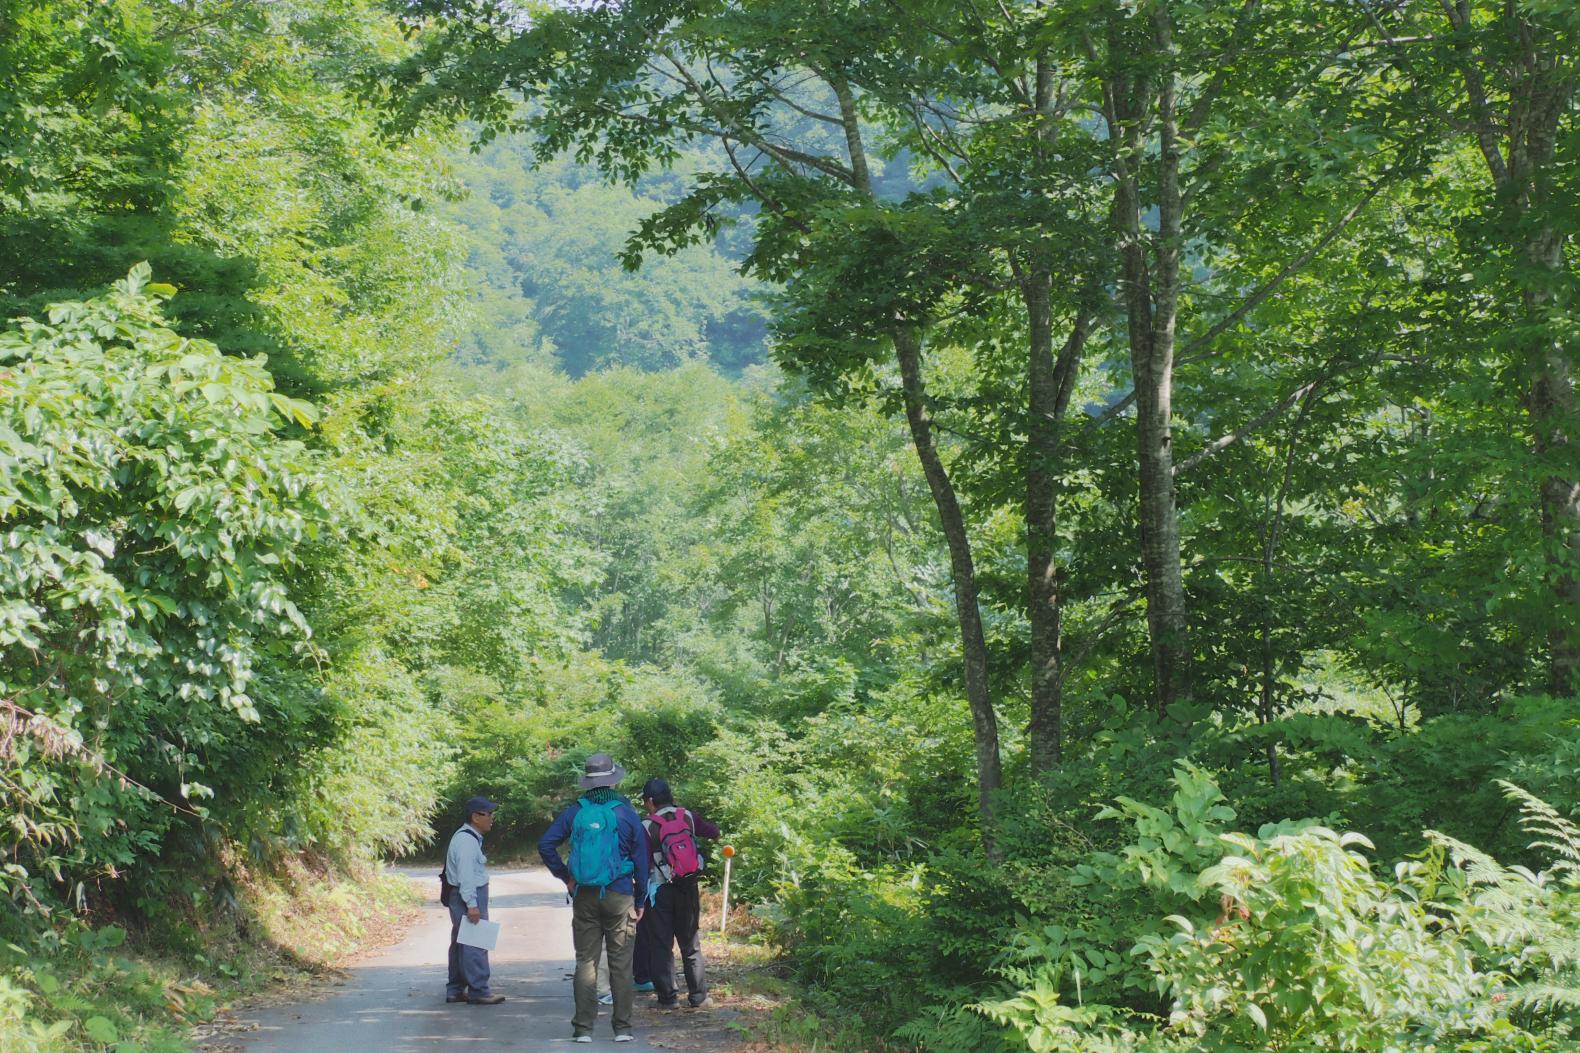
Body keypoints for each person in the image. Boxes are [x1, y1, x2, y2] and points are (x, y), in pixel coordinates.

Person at [538, 753, 650, 1043]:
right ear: (613, 779)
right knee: (621, 964)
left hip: (584, 895)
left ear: (588, 782)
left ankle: (583, 1029)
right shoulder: (626, 813)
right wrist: (640, 900)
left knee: (585, 962)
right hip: (620, 894)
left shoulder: (575, 812)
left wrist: (566, 877)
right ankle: (622, 1029)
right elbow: (642, 860)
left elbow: (546, 844)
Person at [639, 777, 720, 1009]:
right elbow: (712, 831)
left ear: (651, 801)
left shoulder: (647, 826)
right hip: (688, 887)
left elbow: (642, 863)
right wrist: (715, 836)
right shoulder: (687, 817)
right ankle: (699, 996)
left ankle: (668, 998)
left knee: (661, 945)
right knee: (690, 943)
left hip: (660, 892)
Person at [444, 796, 504, 1005]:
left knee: (461, 943)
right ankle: (479, 990)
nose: (491, 818)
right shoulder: (467, 842)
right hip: (467, 896)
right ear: (475, 817)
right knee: (475, 942)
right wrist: (472, 904)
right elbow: (466, 876)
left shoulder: (467, 838)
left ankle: (456, 990)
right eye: (488, 814)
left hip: (462, 895)